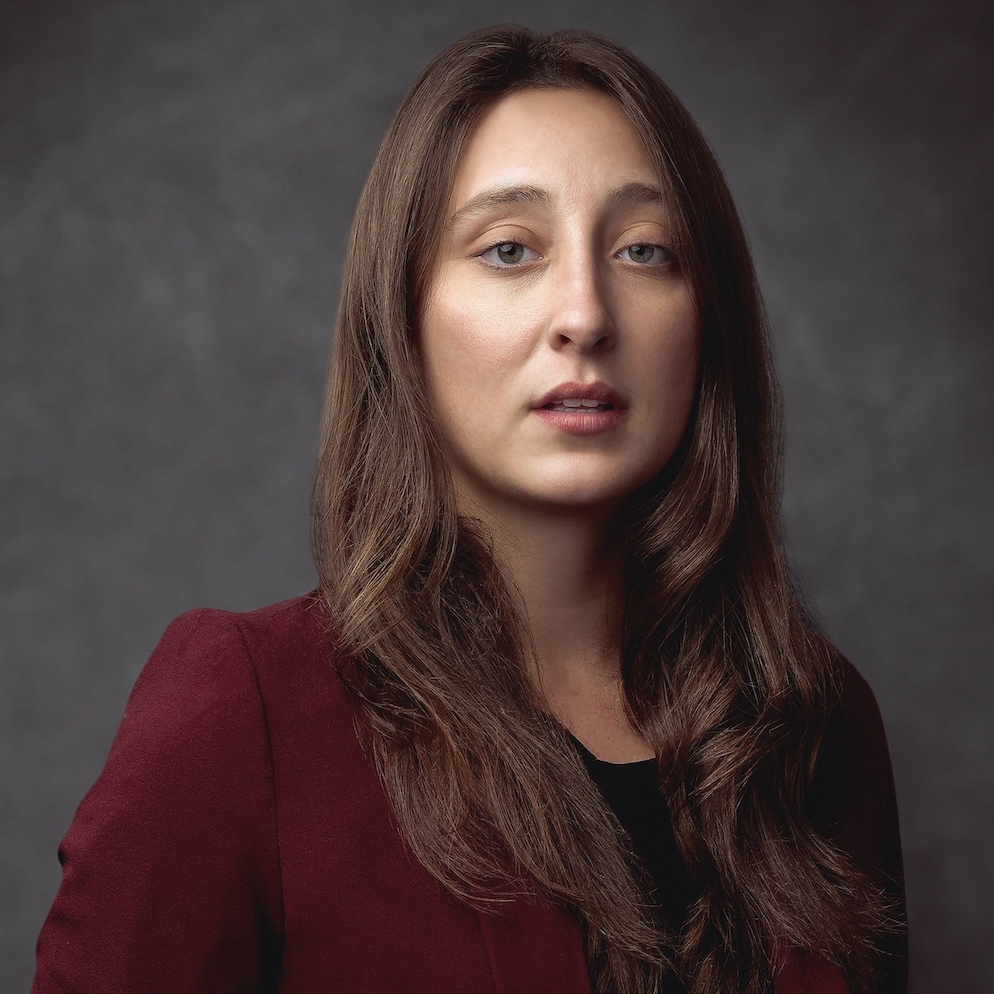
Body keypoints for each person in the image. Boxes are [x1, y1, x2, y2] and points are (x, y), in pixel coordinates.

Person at [32, 24, 907, 994]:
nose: (585, 314)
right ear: (402, 317)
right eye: (508, 249)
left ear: (710, 320)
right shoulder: (247, 714)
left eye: (644, 250)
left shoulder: (815, 727)